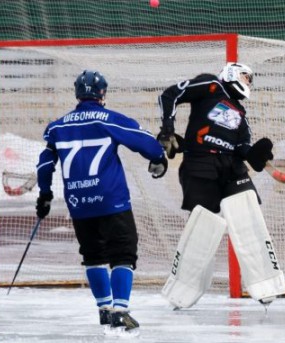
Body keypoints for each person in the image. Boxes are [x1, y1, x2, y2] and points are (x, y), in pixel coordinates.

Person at [35, 70, 167, 335]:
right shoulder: (109, 118)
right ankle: (120, 311)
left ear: (77, 93)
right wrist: (159, 157)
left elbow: (45, 163)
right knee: (124, 253)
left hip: (79, 203)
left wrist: (45, 194)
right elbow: (146, 143)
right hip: (111, 200)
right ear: (102, 93)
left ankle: (104, 309)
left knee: (92, 255)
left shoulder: (57, 126)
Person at [157, 62, 285, 310]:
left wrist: (256, 156)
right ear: (232, 72)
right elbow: (170, 95)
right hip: (200, 162)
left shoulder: (240, 113)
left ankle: (265, 283)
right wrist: (168, 129)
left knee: (248, 214)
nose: (248, 83)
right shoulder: (211, 85)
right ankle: (183, 289)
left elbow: (242, 147)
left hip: (232, 167)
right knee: (202, 224)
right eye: (245, 77)